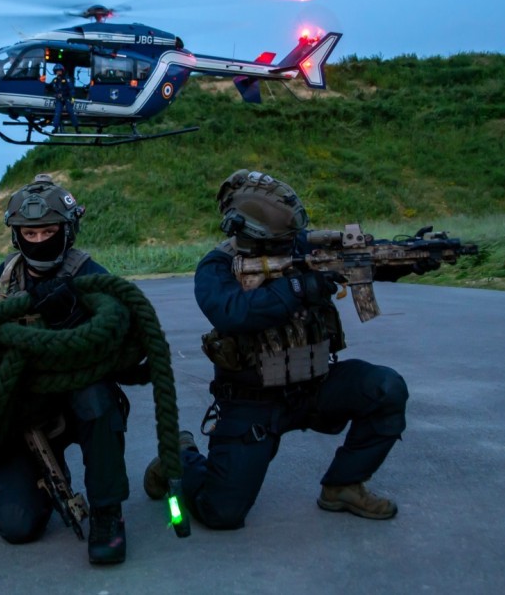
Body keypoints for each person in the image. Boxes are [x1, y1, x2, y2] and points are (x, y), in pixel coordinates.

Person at [144, 169, 412, 530]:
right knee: (222, 512)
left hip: (315, 384)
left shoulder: (302, 245)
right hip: (251, 400)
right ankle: (179, 454)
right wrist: (301, 288)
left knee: (385, 388)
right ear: (251, 233)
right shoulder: (217, 266)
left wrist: (398, 261)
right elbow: (233, 312)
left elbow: (360, 263)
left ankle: (343, 486)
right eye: (282, 239)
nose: (293, 243)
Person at [0, 173, 128, 564]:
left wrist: (71, 322)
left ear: (67, 230)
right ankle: (20, 476)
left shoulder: (92, 276)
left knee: (98, 399)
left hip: (77, 406)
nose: (39, 241)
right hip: (23, 413)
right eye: (29, 234)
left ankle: (108, 513)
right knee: (16, 526)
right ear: (16, 235)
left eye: (48, 231)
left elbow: (123, 347)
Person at [50, 64, 81, 134]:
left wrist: (72, 98)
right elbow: (52, 90)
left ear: (62, 71)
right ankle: (55, 128)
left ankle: (77, 128)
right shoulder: (54, 81)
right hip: (59, 100)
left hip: (67, 98)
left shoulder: (67, 79)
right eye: (57, 71)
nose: (58, 72)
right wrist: (56, 95)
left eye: (59, 71)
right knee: (57, 113)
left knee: (71, 112)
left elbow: (71, 89)